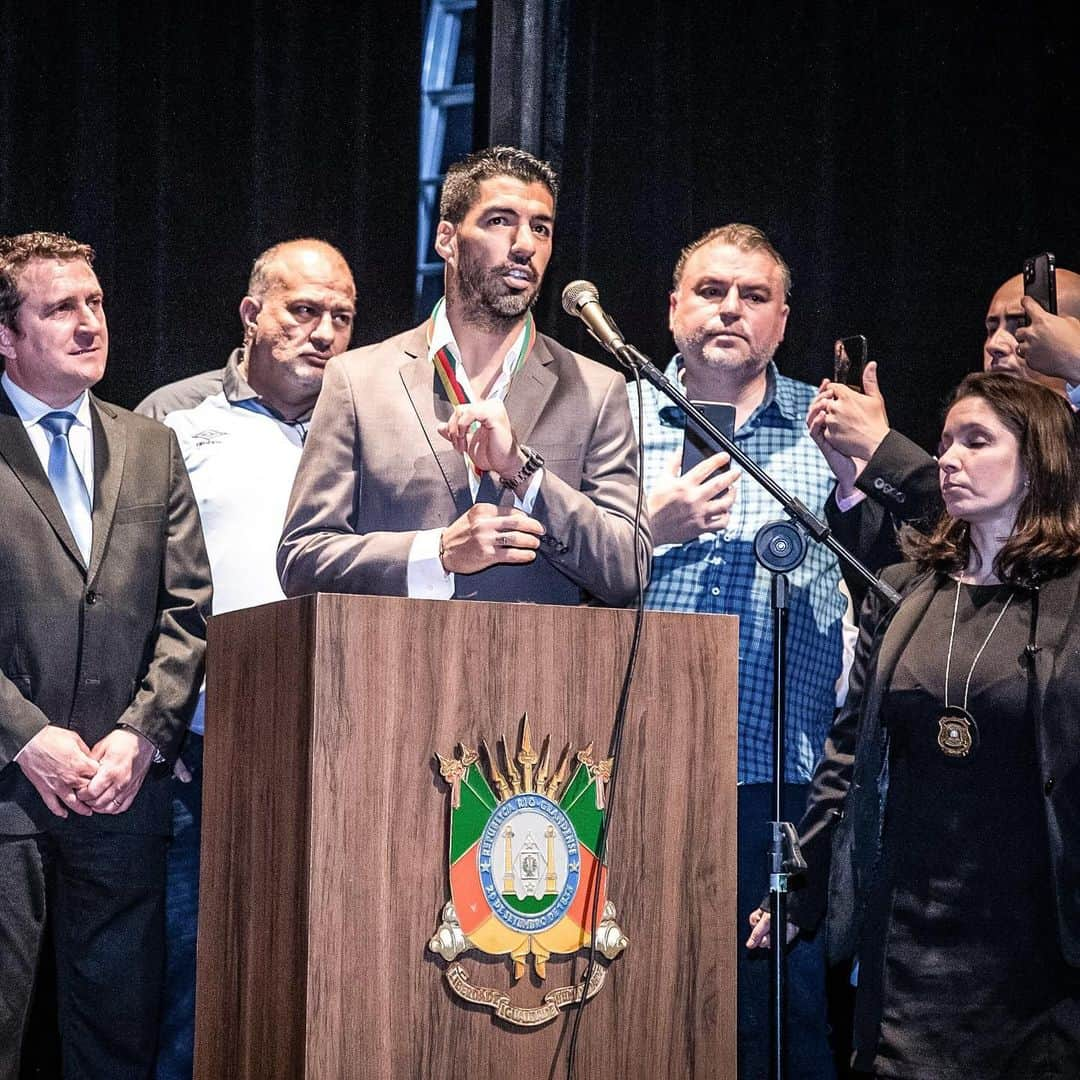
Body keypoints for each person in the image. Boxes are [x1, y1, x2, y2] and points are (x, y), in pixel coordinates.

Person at [750, 371, 1080, 1077]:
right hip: (910, 940)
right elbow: (848, 751)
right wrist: (802, 884)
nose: (949, 459)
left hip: (1038, 947)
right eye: (944, 442)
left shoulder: (1073, 599)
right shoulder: (902, 593)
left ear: (1040, 460)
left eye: (976, 441)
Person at [627, 224, 847, 1079]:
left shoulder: (828, 429)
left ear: (783, 321)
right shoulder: (612, 418)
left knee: (773, 1026)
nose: (731, 309)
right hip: (629, 767)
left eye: (754, 296)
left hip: (780, 778)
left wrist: (866, 469)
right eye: (712, 290)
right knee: (637, 1010)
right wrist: (651, 522)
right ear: (674, 306)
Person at [134, 238, 356, 1080]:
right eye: (303, 311)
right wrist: (156, 724)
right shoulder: (173, 417)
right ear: (252, 313)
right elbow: (129, 592)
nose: (323, 333)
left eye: (340, 316)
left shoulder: (368, 421)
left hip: (336, 745)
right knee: (198, 976)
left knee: (320, 974)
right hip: (200, 750)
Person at [0, 231, 211, 1079]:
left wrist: (142, 734)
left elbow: (187, 607)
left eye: (95, 304)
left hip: (122, 793)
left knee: (117, 1046)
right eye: (61, 309)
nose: (90, 323)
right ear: (7, 336)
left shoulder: (150, 446)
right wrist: (25, 733)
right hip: (8, 792)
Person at [277, 146, 647, 605]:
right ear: (447, 240)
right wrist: (436, 554)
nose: (525, 245)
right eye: (499, 221)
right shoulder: (357, 380)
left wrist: (522, 472)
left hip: (545, 670)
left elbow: (628, 568)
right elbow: (301, 558)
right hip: (390, 668)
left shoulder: (595, 389)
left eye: (541, 228)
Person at [810, 268, 1080, 608]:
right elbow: (891, 596)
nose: (995, 344)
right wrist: (856, 478)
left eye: (1020, 325)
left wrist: (882, 449)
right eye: (991, 328)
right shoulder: (963, 425)